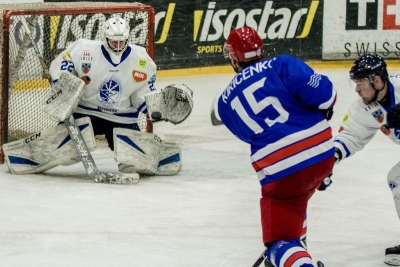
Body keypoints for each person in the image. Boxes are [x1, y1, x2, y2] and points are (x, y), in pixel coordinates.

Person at [2, 17, 193, 178]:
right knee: (65, 151)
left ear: (127, 39)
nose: (118, 46)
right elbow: (61, 62)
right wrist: (63, 80)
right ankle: (25, 155)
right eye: (113, 42)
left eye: (121, 42)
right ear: (105, 39)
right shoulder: (83, 49)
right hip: (85, 111)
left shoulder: (142, 61)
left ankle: (161, 155)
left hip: (121, 117)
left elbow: (141, 98)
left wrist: (159, 108)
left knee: (134, 161)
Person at [211, 26, 336, 267]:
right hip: (323, 154)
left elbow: (249, 135)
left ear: (233, 56)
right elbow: (327, 96)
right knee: (298, 199)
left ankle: (292, 250)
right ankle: (299, 246)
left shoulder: (225, 102)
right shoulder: (283, 64)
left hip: (282, 170)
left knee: (280, 243)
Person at [334, 53, 400, 266]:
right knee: (397, 179)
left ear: (377, 80)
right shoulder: (364, 109)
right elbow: (349, 136)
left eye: (361, 82)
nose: (357, 89)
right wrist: (327, 161)